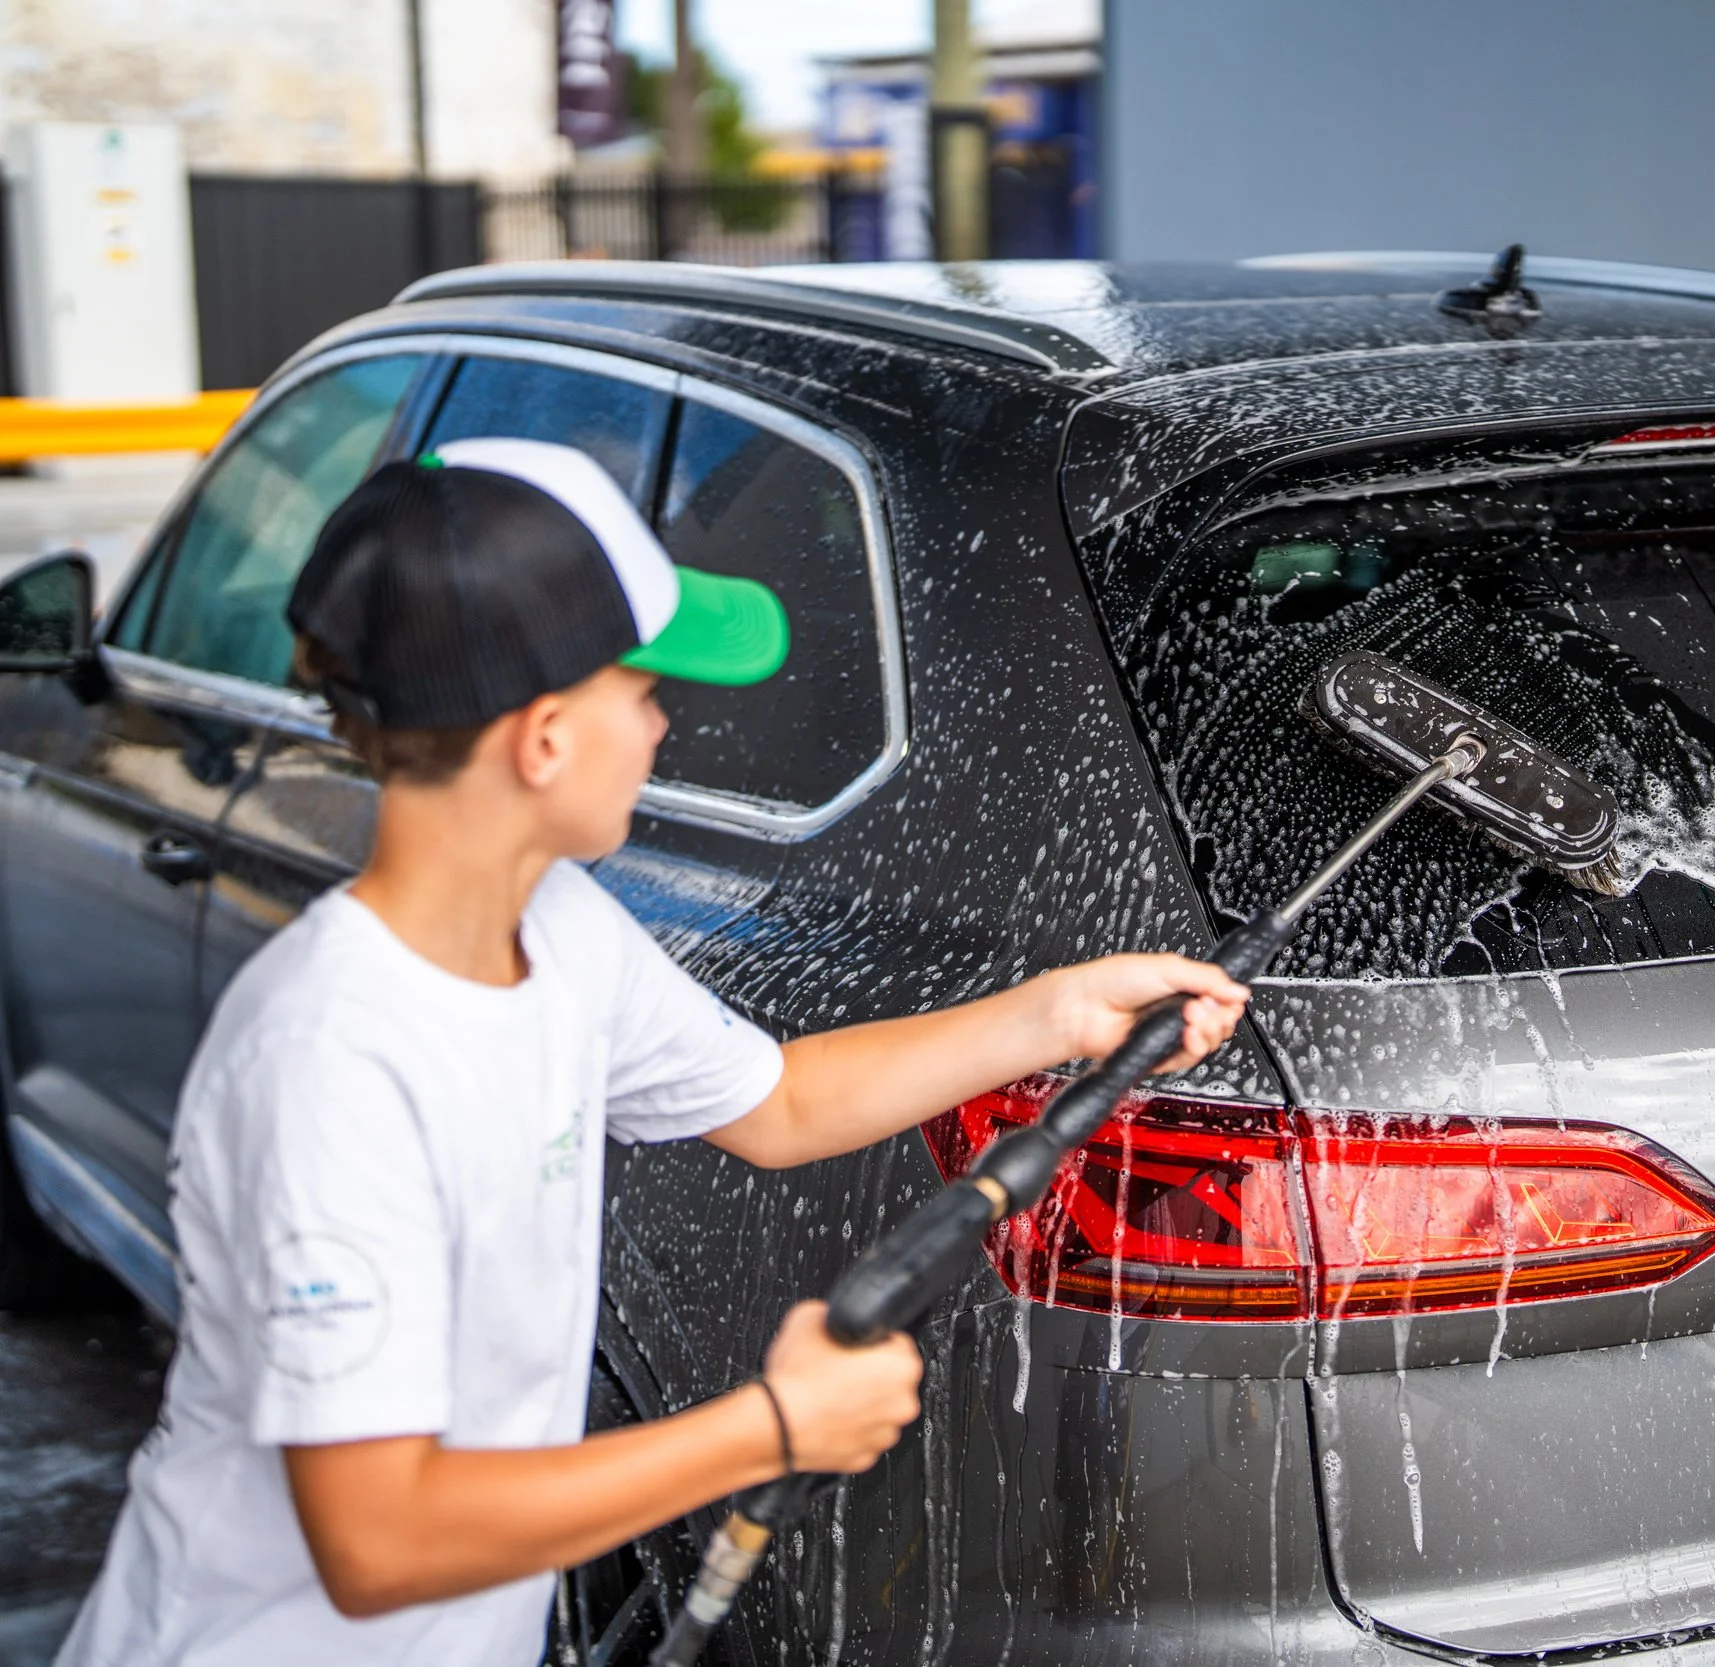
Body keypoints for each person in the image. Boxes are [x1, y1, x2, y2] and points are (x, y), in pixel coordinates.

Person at [57, 439, 1250, 1666]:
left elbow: (775, 1101)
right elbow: (381, 1538)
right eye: (641, 690)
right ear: (544, 739)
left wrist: (1050, 1015)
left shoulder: (556, 927)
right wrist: (772, 1427)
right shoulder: (332, 1059)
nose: (665, 720)